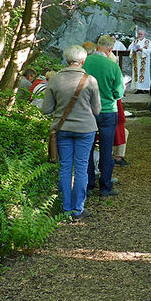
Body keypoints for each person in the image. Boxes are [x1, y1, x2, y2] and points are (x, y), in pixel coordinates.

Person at [43, 45, 101, 219]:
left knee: (65, 167)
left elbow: (46, 109)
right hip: (85, 129)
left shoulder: (54, 80)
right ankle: (78, 209)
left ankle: (65, 208)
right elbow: (97, 110)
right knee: (81, 168)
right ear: (83, 61)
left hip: (63, 129)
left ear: (66, 60)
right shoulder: (90, 80)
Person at [83, 35, 124, 197]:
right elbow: (118, 92)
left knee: (88, 148)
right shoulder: (113, 66)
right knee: (106, 150)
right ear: (110, 49)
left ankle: (89, 184)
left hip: (87, 111)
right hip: (107, 111)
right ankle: (105, 186)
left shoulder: (85, 62)